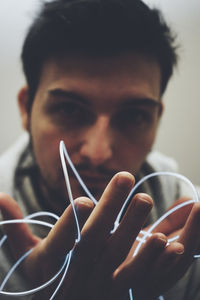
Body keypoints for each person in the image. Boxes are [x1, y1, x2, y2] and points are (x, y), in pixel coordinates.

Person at [0, 0, 200, 299]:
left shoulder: (190, 233)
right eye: (69, 110)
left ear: (156, 120)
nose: (98, 152)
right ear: (26, 108)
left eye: (133, 116)